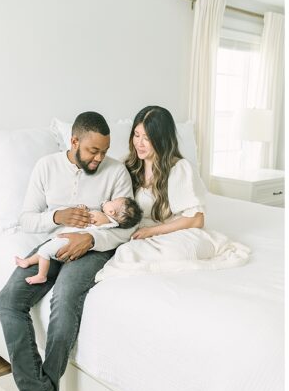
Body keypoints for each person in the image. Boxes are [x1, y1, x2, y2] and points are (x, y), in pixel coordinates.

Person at [0, 112, 134, 391]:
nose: (99, 158)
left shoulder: (116, 172)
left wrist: (89, 241)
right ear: (74, 142)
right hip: (51, 244)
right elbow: (26, 218)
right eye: (92, 151)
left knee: (64, 300)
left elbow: (127, 227)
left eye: (104, 151)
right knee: (8, 300)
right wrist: (57, 217)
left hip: (91, 247)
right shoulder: (46, 166)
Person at [93, 105, 249, 280]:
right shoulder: (127, 165)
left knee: (181, 250)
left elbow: (196, 220)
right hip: (139, 235)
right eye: (137, 135)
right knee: (127, 251)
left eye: (147, 138)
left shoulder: (179, 168)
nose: (139, 143)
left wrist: (152, 232)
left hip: (177, 232)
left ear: (161, 140)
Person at [15, 197, 142, 285]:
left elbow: (87, 220)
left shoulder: (102, 217)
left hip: (70, 240)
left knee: (44, 251)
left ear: (111, 211)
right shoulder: (109, 221)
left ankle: (41, 275)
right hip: (70, 238)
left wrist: (83, 211)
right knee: (45, 250)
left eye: (113, 201)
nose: (109, 201)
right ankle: (27, 261)